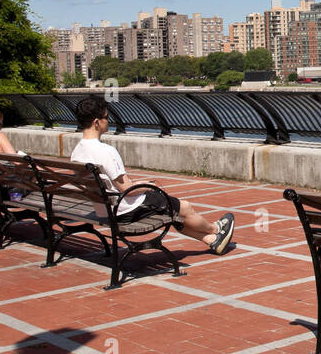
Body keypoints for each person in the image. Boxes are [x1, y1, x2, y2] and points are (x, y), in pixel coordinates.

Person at [71, 96, 235, 254]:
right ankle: (216, 228)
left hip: (103, 210)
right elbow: (125, 188)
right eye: (106, 117)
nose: (109, 121)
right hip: (125, 210)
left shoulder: (77, 152)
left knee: (173, 212)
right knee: (183, 207)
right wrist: (148, 185)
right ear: (96, 123)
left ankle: (212, 239)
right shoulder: (106, 151)